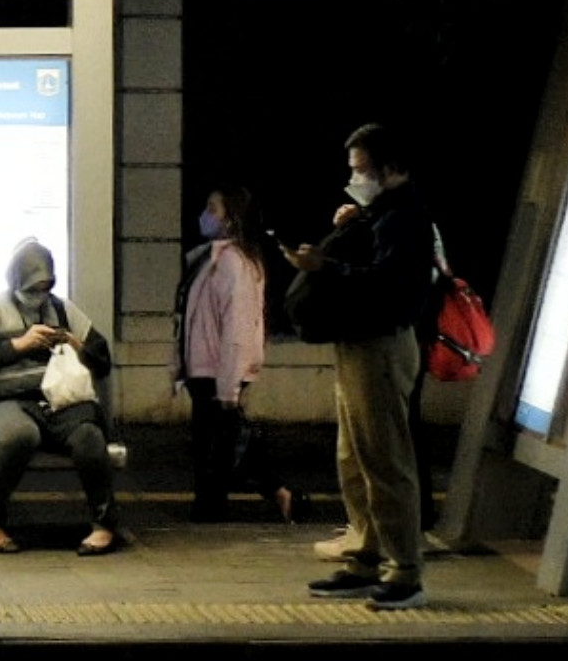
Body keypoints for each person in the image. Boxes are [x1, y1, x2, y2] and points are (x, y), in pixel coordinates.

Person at [287, 123, 432, 611]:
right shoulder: (380, 213)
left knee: (385, 458)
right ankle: (366, 557)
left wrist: (325, 268)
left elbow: (386, 284)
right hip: (357, 344)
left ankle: (404, 570)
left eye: (363, 169)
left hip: (381, 346)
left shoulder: (405, 216)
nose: (356, 178)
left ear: (391, 167)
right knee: (355, 457)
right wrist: (351, 225)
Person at [0, 239, 120, 555]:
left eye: (45, 287)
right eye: (32, 288)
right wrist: (18, 344)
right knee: (19, 434)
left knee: (88, 436)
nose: (38, 295)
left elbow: (101, 359)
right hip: (2, 401)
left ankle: (104, 523)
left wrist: (73, 342)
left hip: (55, 401)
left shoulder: (61, 309)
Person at [174, 185, 292, 522]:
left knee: (214, 446)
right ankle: (274, 492)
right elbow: (189, 317)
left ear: (232, 219)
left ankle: (211, 508)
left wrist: (229, 385)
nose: (205, 215)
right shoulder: (208, 260)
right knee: (219, 440)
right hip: (203, 368)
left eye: (213, 209)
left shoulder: (234, 265)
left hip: (218, 369)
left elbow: (237, 329)